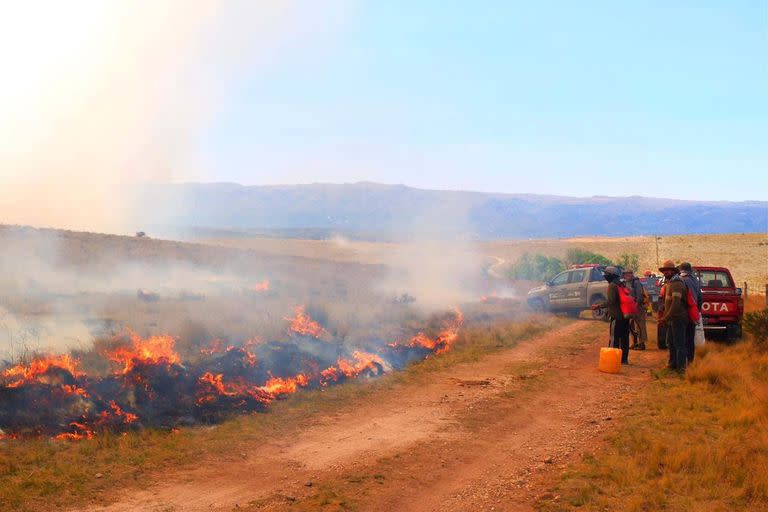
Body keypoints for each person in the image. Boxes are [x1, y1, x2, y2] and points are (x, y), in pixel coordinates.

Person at [659, 260, 688, 373]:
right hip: (672, 318)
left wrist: (665, 318)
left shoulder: (676, 283)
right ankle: (673, 364)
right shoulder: (671, 282)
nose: (666, 272)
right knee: (671, 342)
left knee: (679, 343)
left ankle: (681, 368)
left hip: (678, 318)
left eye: (668, 270)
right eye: (665, 271)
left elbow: (676, 304)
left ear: (673, 271)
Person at [604, 266, 631, 365]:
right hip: (625, 315)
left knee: (614, 338)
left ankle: (613, 360)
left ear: (610, 276)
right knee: (624, 339)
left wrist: (599, 305)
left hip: (616, 316)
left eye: (606, 274)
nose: (605, 276)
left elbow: (610, 301)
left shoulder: (612, 285)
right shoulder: (622, 284)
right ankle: (624, 359)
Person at [679, 262, 702, 363]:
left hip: (683, 312)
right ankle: (691, 361)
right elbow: (700, 298)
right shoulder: (696, 281)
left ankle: (682, 363)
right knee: (690, 339)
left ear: (681, 270)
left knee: (682, 339)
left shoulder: (681, 279)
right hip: (693, 313)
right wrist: (697, 311)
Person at [624, 269, 648, 350]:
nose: (626, 276)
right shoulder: (626, 282)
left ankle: (641, 344)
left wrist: (636, 306)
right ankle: (634, 343)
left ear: (631, 274)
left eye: (628, 274)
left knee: (640, 326)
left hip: (638, 307)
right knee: (631, 326)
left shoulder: (636, 283)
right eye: (625, 274)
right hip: (630, 307)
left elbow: (640, 297)